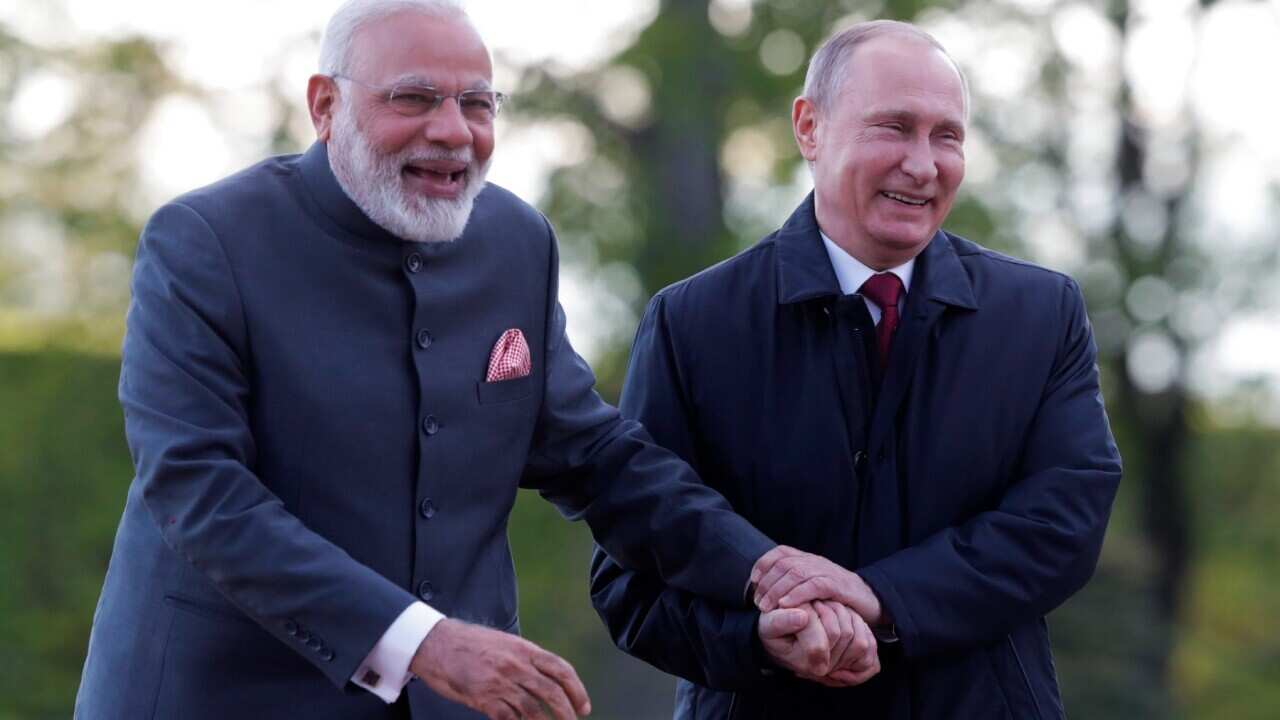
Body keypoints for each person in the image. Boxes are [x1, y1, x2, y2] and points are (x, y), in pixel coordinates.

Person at [73, 2, 858, 718]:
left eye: (477, 104)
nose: (453, 131)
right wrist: (424, 642)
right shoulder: (204, 242)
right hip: (220, 699)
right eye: (413, 99)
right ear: (324, 105)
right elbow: (200, 494)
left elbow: (597, 458)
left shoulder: (518, 241)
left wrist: (765, 573)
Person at [589, 20, 1123, 719]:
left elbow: (1062, 527)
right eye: (894, 128)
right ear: (809, 128)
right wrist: (763, 639)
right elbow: (632, 584)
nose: (924, 164)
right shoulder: (693, 325)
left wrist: (880, 600)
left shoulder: (1040, 314)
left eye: (948, 136)